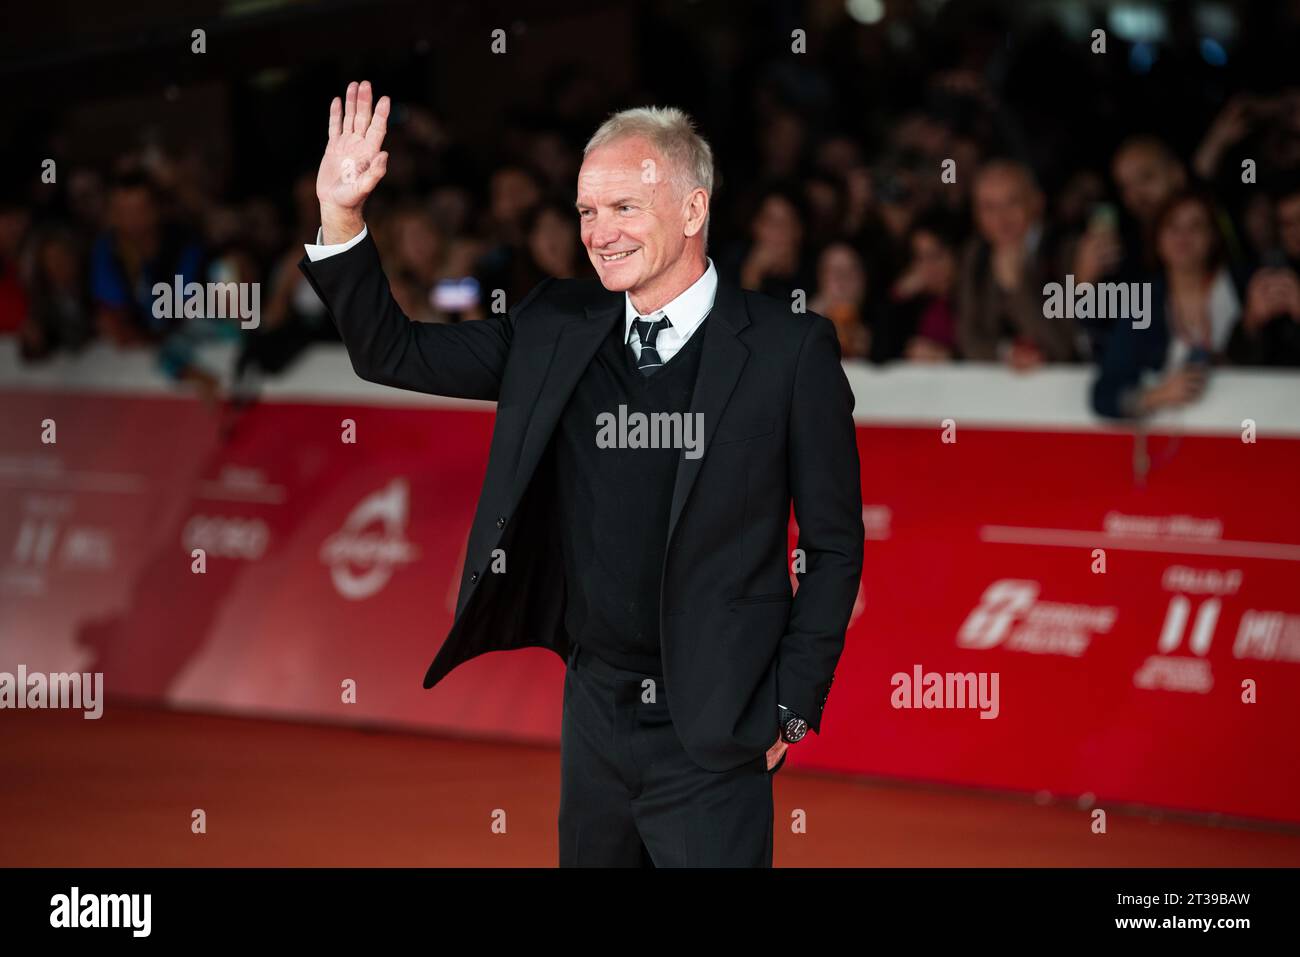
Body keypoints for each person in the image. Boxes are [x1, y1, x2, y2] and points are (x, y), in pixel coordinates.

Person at [299, 82, 863, 867]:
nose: (600, 233)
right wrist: (343, 217)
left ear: (693, 210)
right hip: (595, 712)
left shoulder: (786, 351)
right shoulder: (555, 326)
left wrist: (789, 706)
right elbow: (391, 351)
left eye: (624, 208)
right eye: (589, 211)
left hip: (715, 726)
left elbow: (834, 547)